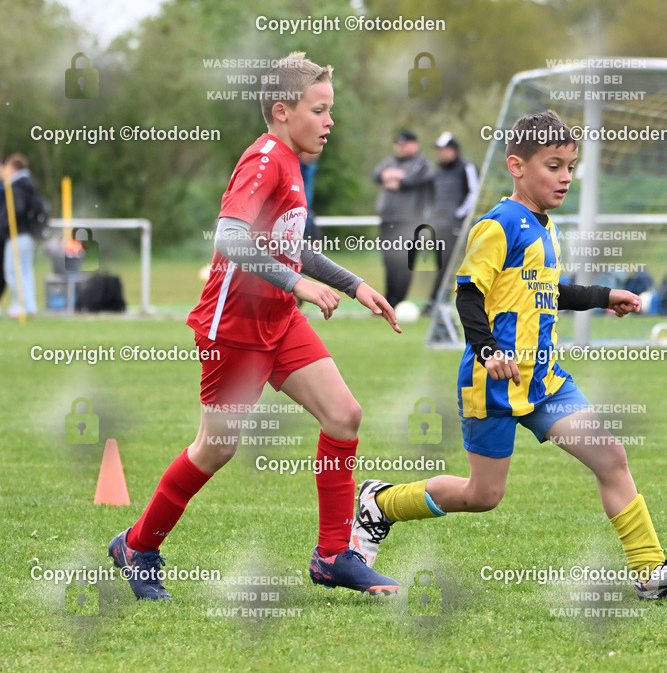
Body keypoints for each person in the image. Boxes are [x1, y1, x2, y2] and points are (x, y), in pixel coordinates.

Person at [350, 111, 667, 600]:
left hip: (544, 381)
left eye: (570, 166)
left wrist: (603, 296)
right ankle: (380, 503)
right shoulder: (498, 225)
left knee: (610, 455)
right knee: (482, 496)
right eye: (553, 165)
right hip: (492, 382)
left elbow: (548, 291)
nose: (565, 176)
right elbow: (467, 295)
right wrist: (487, 351)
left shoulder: (547, 229)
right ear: (517, 166)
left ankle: (649, 572)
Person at [107, 52, 403, 600]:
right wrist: (296, 285)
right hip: (235, 328)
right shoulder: (266, 158)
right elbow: (229, 236)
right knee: (215, 449)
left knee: (343, 415)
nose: (330, 121)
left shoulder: (294, 162)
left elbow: (291, 244)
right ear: (281, 111)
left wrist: (353, 285)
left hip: (279, 320)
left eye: (330, 110)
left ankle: (334, 555)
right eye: (320, 110)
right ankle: (138, 546)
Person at [372, 130, 433, 307]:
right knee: (389, 262)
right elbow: (377, 175)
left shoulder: (422, 163)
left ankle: (399, 302)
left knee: (405, 263)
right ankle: (388, 301)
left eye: (404, 144)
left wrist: (395, 178)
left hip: (410, 222)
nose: (400, 148)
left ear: (414, 144)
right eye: (398, 144)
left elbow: (412, 181)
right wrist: (395, 178)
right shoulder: (391, 161)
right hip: (388, 220)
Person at [425, 132, 479, 315]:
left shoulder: (466, 167)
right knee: (442, 265)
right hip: (439, 226)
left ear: (453, 150)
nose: (440, 153)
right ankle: (437, 302)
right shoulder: (438, 172)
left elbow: (473, 193)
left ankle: (438, 302)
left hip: (457, 226)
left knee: (452, 266)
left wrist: (458, 214)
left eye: (443, 149)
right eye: (438, 149)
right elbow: (432, 198)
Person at [1, 153, 46, 317]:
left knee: (13, 270)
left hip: (19, 233)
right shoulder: (30, 184)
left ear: (13, 168)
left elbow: (17, 210)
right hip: (30, 234)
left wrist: (4, 224)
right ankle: (30, 305)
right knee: (25, 270)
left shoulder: (17, 186)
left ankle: (19, 306)